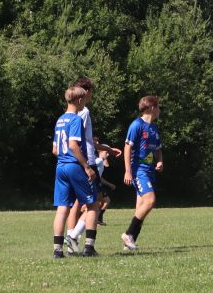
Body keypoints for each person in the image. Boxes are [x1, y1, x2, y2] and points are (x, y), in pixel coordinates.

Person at [63, 76, 120, 251]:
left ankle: (72, 243)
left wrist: (107, 149)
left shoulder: (68, 113)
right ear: (86, 91)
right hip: (86, 160)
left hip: (73, 159)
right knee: (95, 202)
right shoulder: (84, 111)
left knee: (77, 203)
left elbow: (86, 140)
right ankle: (76, 238)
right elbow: (82, 141)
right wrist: (87, 164)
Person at [51, 86, 98, 258]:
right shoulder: (76, 119)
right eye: (84, 100)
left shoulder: (60, 120)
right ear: (79, 100)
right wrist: (86, 166)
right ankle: (89, 248)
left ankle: (57, 250)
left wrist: (65, 159)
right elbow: (73, 145)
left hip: (60, 167)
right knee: (93, 205)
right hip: (74, 166)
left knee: (62, 207)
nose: (85, 103)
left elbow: (55, 150)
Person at [121, 96, 164, 251]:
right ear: (152, 108)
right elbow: (127, 147)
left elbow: (157, 149)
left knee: (141, 208)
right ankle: (128, 234)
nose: (159, 110)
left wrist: (160, 161)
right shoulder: (136, 125)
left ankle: (129, 242)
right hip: (139, 171)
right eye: (158, 106)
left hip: (149, 171)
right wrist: (128, 171)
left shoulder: (154, 128)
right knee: (150, 201)